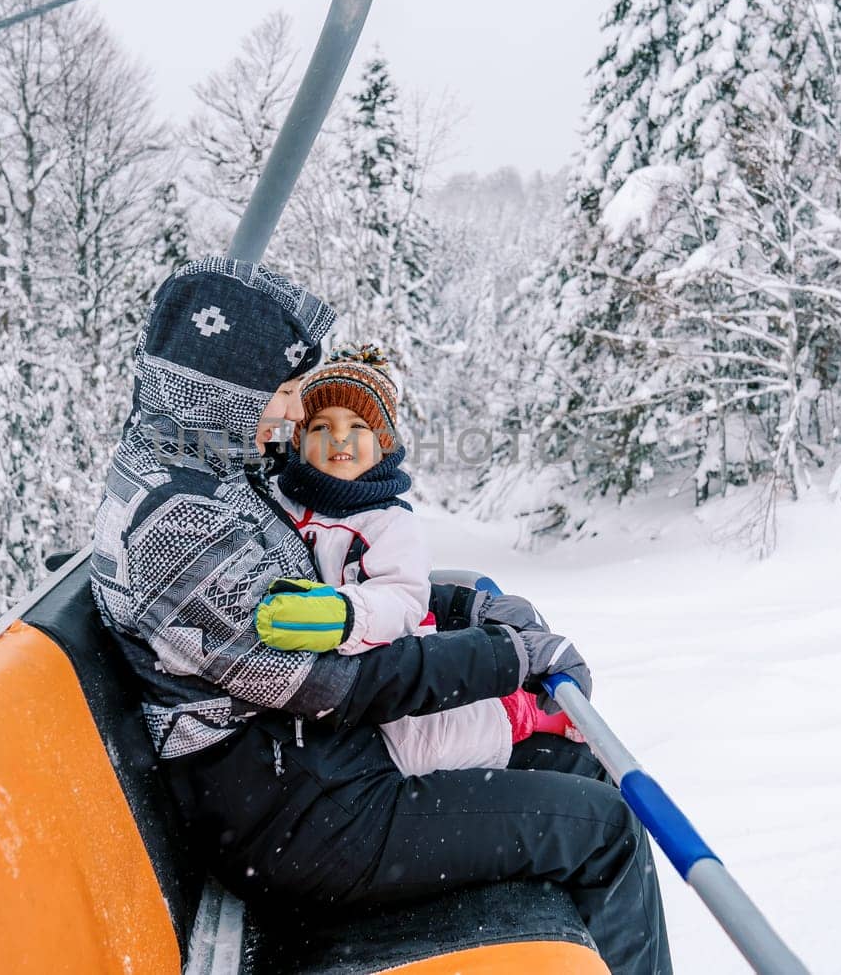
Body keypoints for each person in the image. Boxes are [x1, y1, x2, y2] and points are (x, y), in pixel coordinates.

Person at [91, 257, 672, 974]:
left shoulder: (212, 473)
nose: (287, 416)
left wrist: (466, 606)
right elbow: (334, 680)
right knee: (606, 828)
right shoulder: (176, 527)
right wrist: (509, 659)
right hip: (306, 819)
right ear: (224, 389)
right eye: (278, 394)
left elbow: (338, 576)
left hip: (320, 770)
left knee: (583, 770)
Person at [255, 344, 581, 776]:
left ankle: (529, 714)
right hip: (329, 686)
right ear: (298, 440)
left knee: (428, 745)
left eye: (357, 425)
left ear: (383, 442)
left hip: (382, 671)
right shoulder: (283, 503)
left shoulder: (389, 523)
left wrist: (346, 614)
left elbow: (403, 599)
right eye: (321, 427)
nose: (339, 438)